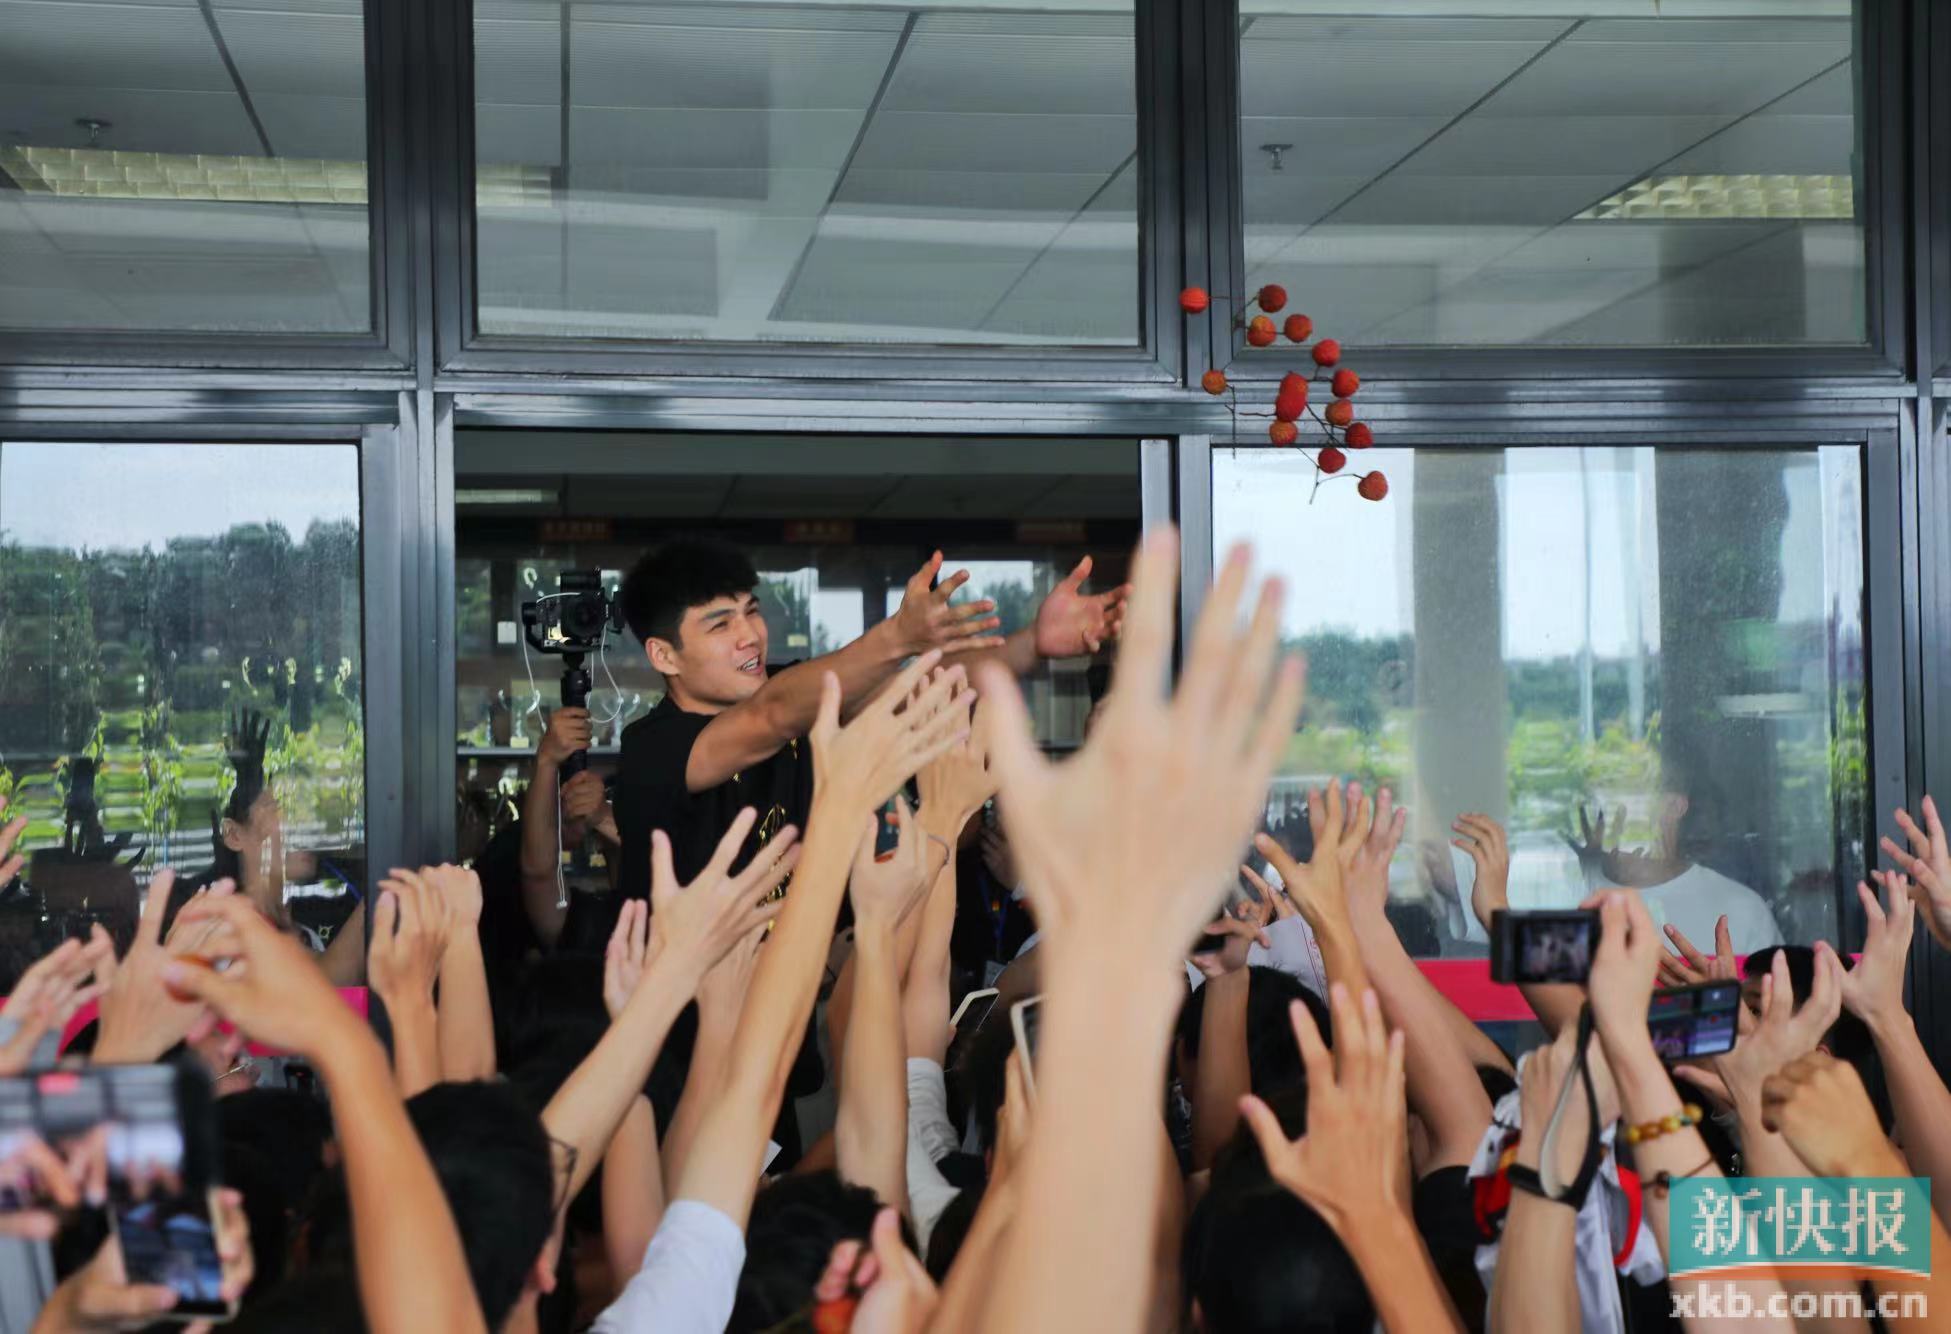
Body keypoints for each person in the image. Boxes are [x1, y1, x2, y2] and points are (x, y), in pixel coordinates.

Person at [566, 541, 1126, 951]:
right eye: (720, 625)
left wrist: (1034, 644)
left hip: (797, 1005)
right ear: (665, 656)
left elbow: (927, 686)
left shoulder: (797, 692)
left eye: (751, 611)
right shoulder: (651, 749)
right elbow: (771, 715)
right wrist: (897, 636)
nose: (749, 636)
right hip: (684, 1024)